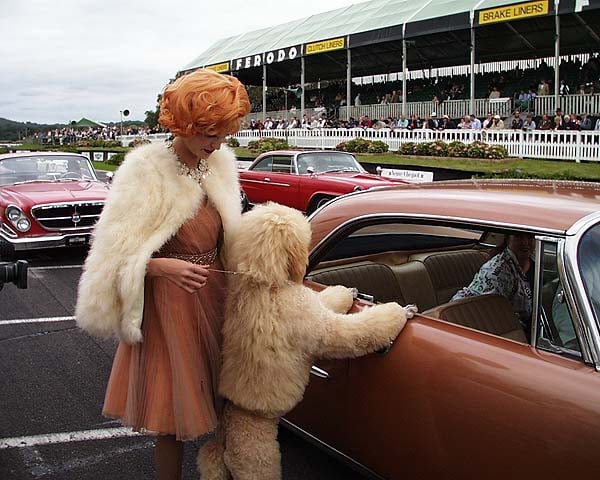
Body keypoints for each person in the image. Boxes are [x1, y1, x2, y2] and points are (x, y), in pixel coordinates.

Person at [76, 69, 250, 480]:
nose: (215, 142)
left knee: (231, 404)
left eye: (223, 132)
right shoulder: (145, 171)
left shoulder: (221, 163)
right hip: (170, 308)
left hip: (218, 295)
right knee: (172, 417)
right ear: (184, 124)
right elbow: (111, 255)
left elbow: (232, 234)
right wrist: (158, 266)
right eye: (207, 131)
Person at [451, 233, 535, 334]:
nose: (525, 243)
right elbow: (491, 318)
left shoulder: (535, 264)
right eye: (518, 236)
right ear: (508, 239)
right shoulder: (498, 271)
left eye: (530, 237)